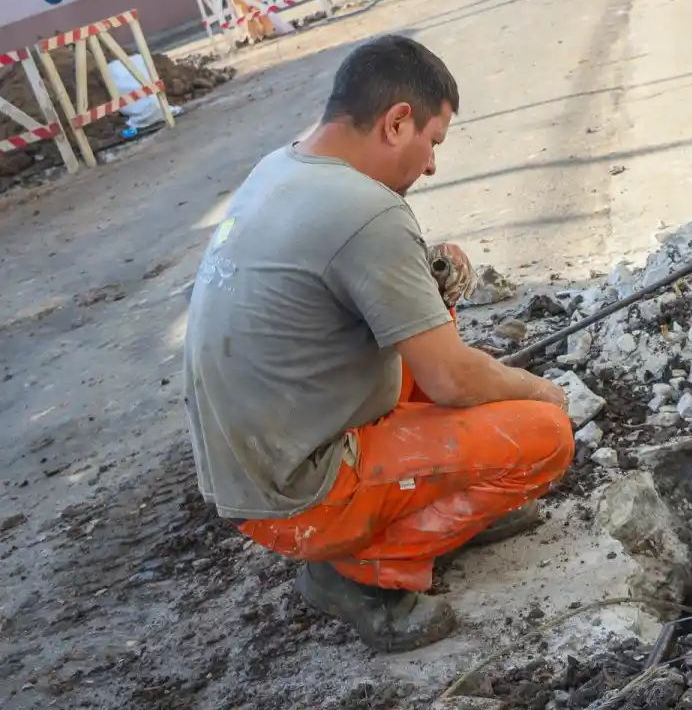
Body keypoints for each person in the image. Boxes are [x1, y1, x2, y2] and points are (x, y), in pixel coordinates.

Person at [183, 35, 575, 653]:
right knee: (543, 436)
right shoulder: (369, 212)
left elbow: (327, 271)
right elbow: (452, 380)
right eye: (432, 142)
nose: (431, 166)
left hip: (250, 466)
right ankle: (360, 575)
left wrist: (428, 266)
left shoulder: (283, 166)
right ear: (397, 122)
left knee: (437, 333)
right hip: (301, 497)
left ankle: (415, 516)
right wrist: (542, 390)